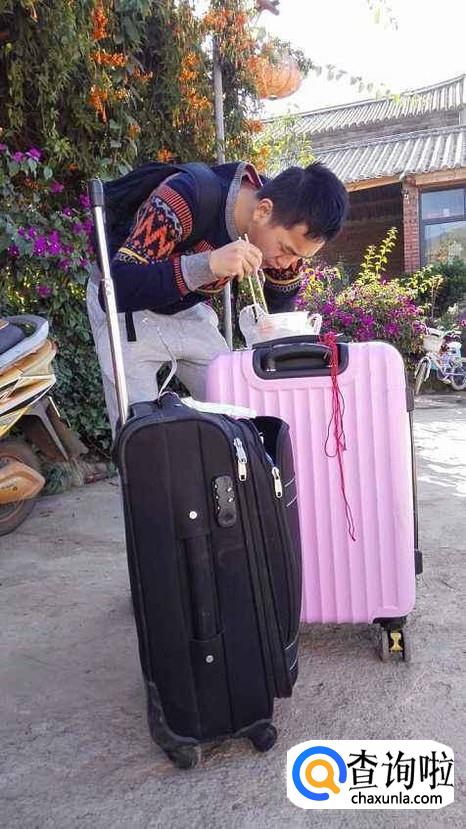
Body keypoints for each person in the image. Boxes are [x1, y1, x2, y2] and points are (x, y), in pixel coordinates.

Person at [87, 160, 348, 432]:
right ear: (263, 210)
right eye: (286, 250)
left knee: (242, 415)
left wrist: (277, 338)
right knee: (141, 433)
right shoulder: (185, 197)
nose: (287, 263)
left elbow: (280, 302)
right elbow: (117, 288)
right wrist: (209, 264)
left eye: (299, 256)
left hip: (188, 311)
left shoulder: (287, 228)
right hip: (128, 312)